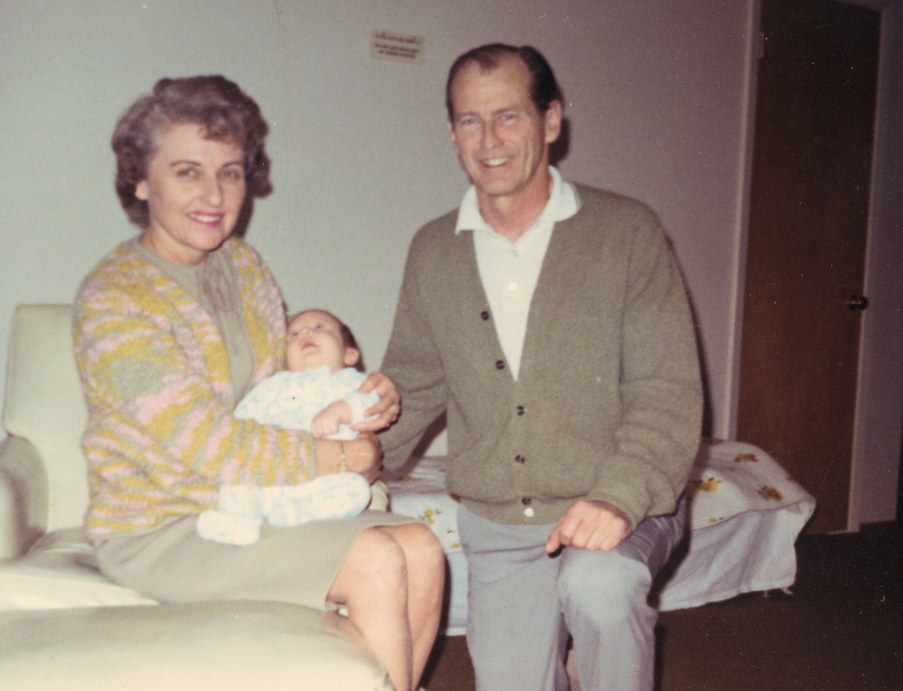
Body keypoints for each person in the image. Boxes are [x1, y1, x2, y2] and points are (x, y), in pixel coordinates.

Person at [73, 75, 443, 691]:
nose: (214, 194)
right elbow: (209, 443)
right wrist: (346, 456)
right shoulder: (115, 298)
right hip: (164, 526)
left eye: (232, 172)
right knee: (377, 559)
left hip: (254, 501)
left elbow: (282, 394)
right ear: (140, 179)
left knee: (424, 549)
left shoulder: (243, 267)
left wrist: (354, 399)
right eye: (188, 171)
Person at [379, 44, 703, 690]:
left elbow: (665, 391)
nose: (489, 139)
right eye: (469, 120)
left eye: (509, 116)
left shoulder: (626, 232)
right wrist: (345, 464)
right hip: (500, 520)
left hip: (617, 503)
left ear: (551, 121)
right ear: (451, 133)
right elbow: (412, 383)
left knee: (599, 585)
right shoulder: (433, 250)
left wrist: (617, 496)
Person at [197, 308, 391, 545]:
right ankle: (239, 522)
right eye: (294, 334)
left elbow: (374, 404)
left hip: (328, 476)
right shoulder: (275, 385)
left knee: (358, 490)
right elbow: (242, 420)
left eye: (320, 327)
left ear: (350, 355)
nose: (306, 333)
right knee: (236, 481)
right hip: (274, 472)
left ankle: (297, 512)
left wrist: (341, 410)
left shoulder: (352, 381)